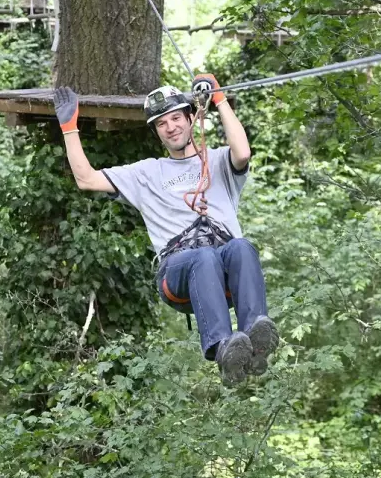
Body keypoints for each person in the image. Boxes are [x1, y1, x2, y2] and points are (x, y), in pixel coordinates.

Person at [53, 75, 278, 385]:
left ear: (191, 118)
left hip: (223, 272)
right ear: (157, 133)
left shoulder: (216, 161)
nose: (171, 127)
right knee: (203, 257)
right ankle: (222, 347)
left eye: (176, 118)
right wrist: (69, 128)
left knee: (241, 246)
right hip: (179, 271)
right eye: (162, 123)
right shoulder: (147, 172)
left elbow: (243, 153)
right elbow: (86, 179)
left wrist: (219, 98)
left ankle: (256, 336)